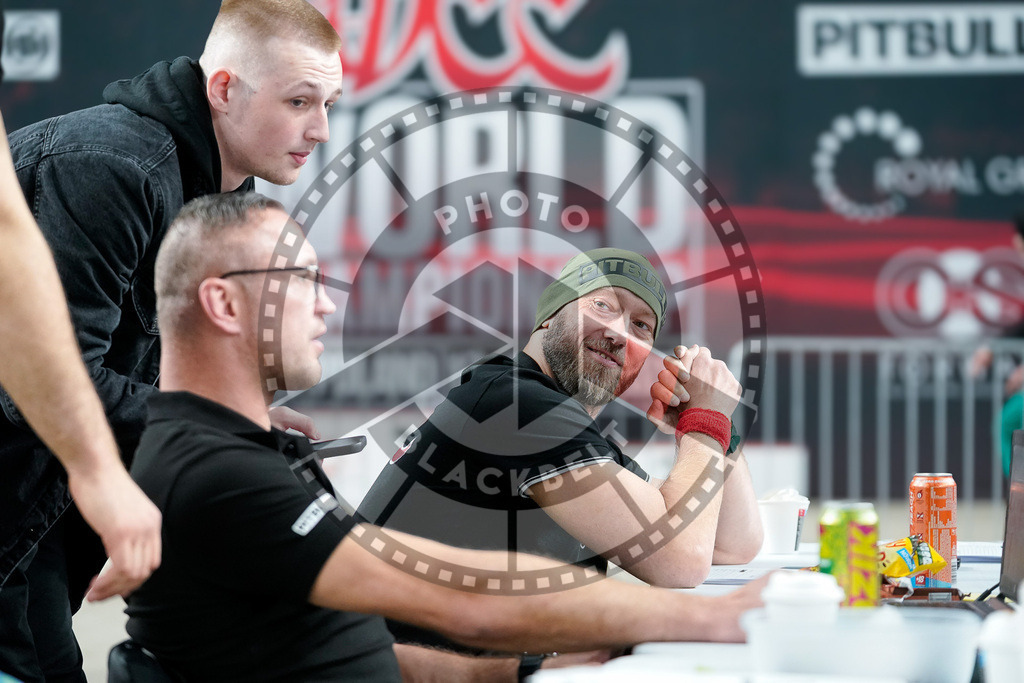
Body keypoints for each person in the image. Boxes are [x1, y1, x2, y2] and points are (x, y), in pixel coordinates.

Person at [126, 191, 767, 681]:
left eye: (642, 325)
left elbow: (728, 545)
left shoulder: (235, 454)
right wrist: (710, 617)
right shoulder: (513, 404)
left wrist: (711, 424)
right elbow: (468, 597)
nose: (326, 304)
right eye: (300, 281)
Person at [0, 2, 341, 680]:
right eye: (300, 101)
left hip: (45, 504)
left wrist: (238, 421)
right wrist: (214, 423)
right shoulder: (111, 166)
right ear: (224, 89)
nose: (321, 129)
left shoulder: (214, 190)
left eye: (329, 104)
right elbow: (38, 382)